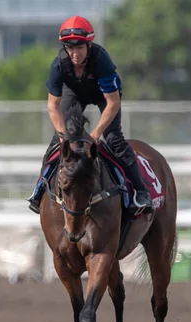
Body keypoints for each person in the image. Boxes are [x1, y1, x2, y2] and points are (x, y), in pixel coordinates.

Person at [26, 15, 152, 214]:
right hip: (74, 92)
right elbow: (53, 106)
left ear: (89, 46)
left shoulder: (102, 61)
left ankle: (140, 191)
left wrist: (94, 136)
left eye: (80, 48)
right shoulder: (58, 65)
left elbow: (112, 103)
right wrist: (62, 137)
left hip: (104, 96)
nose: (75, 54)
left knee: (113, 139)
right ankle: (40, 188)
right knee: (56, 143)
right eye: (70, 48)